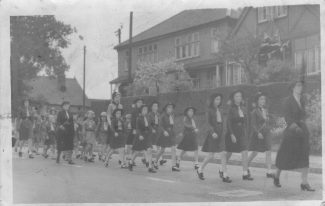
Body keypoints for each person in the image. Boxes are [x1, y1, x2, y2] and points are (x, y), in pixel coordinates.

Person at [273, 80, 315, 191]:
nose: (300, 87)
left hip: (303, 131)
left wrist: (305, 126)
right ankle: (276, 176)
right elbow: (287, 118)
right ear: (292, 88)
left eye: (301, 86)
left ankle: (304, 183)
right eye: (298, 86)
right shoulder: (287, 101)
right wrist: (296, 129)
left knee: (304, 156)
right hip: (292, 132)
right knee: (285, 157)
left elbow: (305, 115)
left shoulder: (303, 100)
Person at [197, 93, 231, 182]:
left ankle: (225, 175)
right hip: (213, 134)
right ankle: (200, 169)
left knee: (223, 153)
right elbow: (208, 123)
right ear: (213, 100)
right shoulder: (209, 110)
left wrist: (224, 132)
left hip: (221, 133)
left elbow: (223, 122)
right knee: (211, 155)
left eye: (219, 99)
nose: (218, 101)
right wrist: (212, 132)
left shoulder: (220, 109)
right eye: (216, 99)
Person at [225, 90, 253, 181]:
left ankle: (245, 174)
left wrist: (247, 132)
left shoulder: (244, 108)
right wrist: (232, 134)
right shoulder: (231, 108)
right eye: (237, 96)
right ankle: (221, 169)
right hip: (233, 132)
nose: (239, 98)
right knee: (229, 152)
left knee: (244, 152)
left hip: (242, 133)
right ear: (233, 98)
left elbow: (246, 121)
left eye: (240, 96)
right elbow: (228, 122)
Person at [247, 92, 273, 178]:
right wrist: (258, 132)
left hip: (267, 133)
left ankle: (269, 172)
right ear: (257, 101)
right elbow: (253, 124)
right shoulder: (254, 111)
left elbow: (267, 121)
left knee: (269, 151)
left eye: (264, 99)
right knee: (255, 152)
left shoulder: (266, 110)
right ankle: (246, 166)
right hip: (259, 133)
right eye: (261, 99)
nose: (263, 101)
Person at [128, 105, 156, 173]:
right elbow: (138, 128)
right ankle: (131, 162)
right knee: (137, 152)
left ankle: (150, 167)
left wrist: (152, 129)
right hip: (140, 137)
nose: (145, 111)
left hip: (147, 136)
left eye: (146, 110)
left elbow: (149, 126)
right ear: (141, 111)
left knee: (149, 150)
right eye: (144, 110)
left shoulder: (148, 117)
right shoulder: (139, 118)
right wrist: (140, 135)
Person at [155, 102, 179, 172]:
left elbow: (172, 125)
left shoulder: (172, 115)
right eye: (169, 107)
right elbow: (160, 125)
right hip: (164, 134)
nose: (170, 109)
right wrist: (164, 131)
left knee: (173, 148)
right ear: (165, 109)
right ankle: (155, 161)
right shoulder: (162, 116)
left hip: (171, 134)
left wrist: (174, 132)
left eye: (171, 108)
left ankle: (173, 166)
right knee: (162, 150)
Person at [126, 98, 143, 165]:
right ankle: (129, 158)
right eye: (139, 102)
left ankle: (131, 159)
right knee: (131, 144)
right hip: (135, 129)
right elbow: (133, 121)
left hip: (139, 130)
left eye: (141, 102)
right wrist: (134, 129)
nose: (140, 103)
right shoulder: (135, 111)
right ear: (136, 103)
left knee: (135, 145)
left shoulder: (141, 111)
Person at [148, 101, 161, 168]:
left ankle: (156, 161)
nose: (156, 107)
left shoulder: (158, 114)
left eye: (156, 106)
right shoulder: (150, 114)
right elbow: (148, 124)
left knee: (158, 146)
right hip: (151, 132)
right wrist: (152, 129)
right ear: (151, 107)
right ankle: (151, 161)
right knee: (152, 147)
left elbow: (159, 123)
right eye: (154, 106)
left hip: (157, 131)